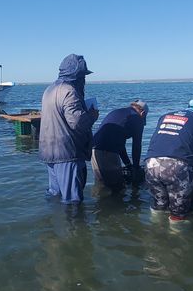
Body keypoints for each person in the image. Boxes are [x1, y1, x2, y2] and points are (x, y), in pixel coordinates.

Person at [39, 54, 98, 203]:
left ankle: (55, 217)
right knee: (72, 200)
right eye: (83, 76)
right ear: (77, 75)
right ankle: (74, 219)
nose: (84, 80)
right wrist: (92, 116)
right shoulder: (69, 91)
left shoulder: (49, 89)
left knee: (55, 195)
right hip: (67, 153)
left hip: (49, 151)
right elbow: (77, 123)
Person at [144, 99, 193, 223]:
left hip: (151, 162)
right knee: (178, 212)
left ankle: (154, 228)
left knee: (159, 203)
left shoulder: (165, 116)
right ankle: (176, 232)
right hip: (177, 165)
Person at [91, 100, 149, 189]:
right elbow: (136, 146)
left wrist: (128, 165)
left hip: (94, 150)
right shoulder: (137, 118)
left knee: (101, 186)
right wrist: (136, 168)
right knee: (117, 188)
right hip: (107, 152)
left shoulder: (119, 113)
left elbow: (120, 146)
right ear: (143, 113)